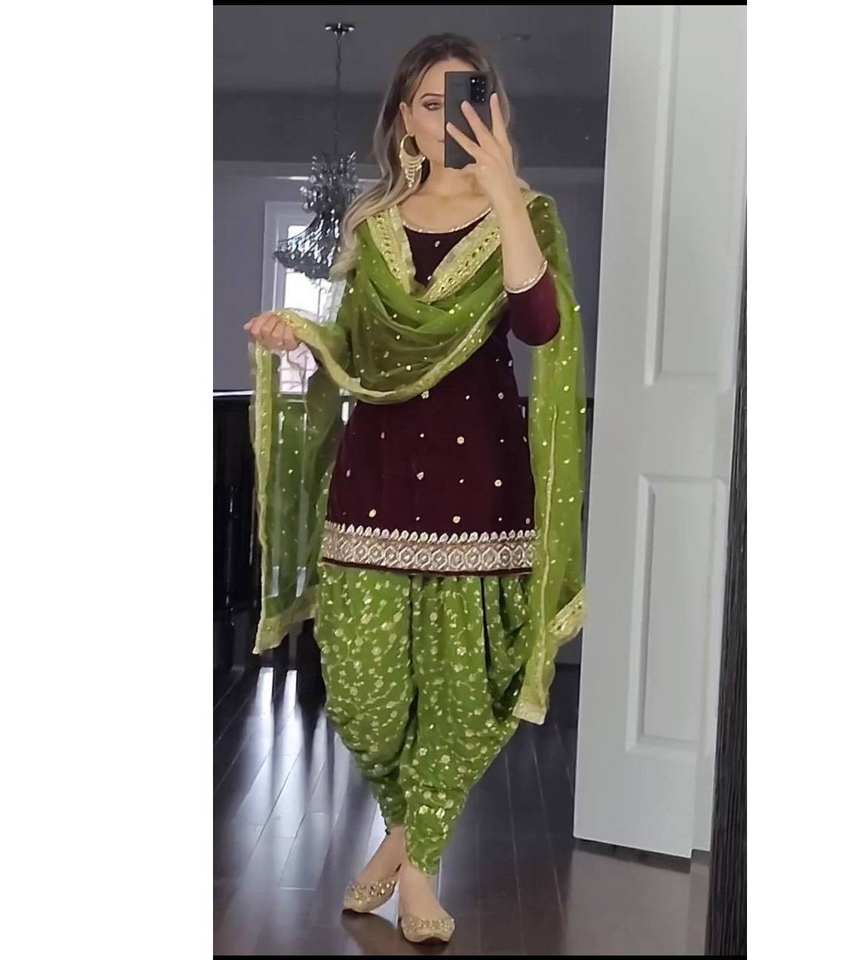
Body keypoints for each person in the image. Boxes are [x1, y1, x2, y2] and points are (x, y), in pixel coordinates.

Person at [243, 33, 587, 945]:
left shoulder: (527, 213)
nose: (450, 121)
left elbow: (540, 323)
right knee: (360, 690)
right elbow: (357, 349)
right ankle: (404, 835)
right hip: (376, 483)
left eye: (468, 101)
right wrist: (301, 336)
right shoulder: (373, 223)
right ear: (405, 120)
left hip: (481, 490)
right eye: (432, 105)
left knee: (465, 693)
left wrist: (503, 186)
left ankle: (418, 869)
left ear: (494, 112)